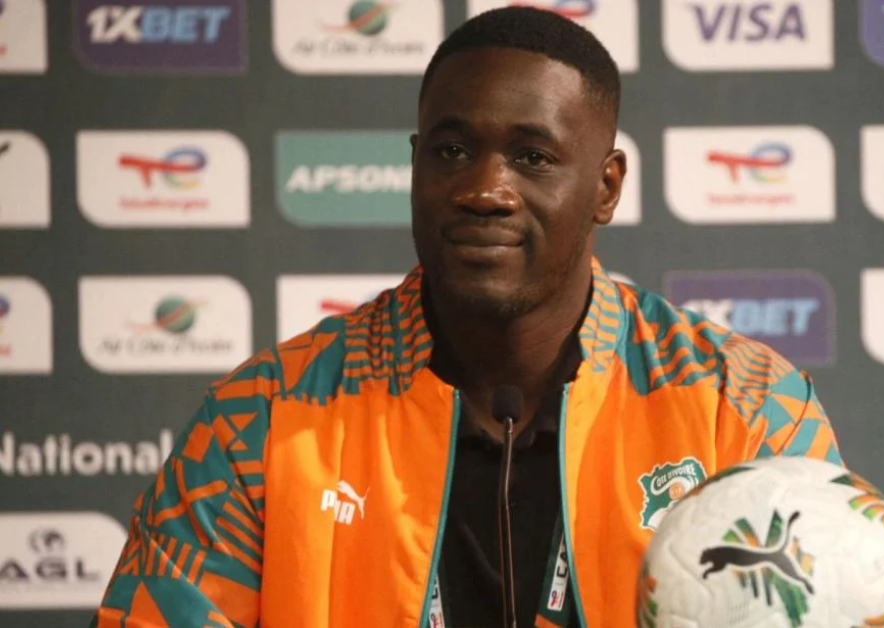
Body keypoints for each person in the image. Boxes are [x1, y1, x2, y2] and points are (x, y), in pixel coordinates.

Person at [89, 7, 842, 628]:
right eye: (452, 151)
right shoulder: (262, 418)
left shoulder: (742, 407)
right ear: (415, 165)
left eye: (533, 157)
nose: (484, 190)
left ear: (606, 187)